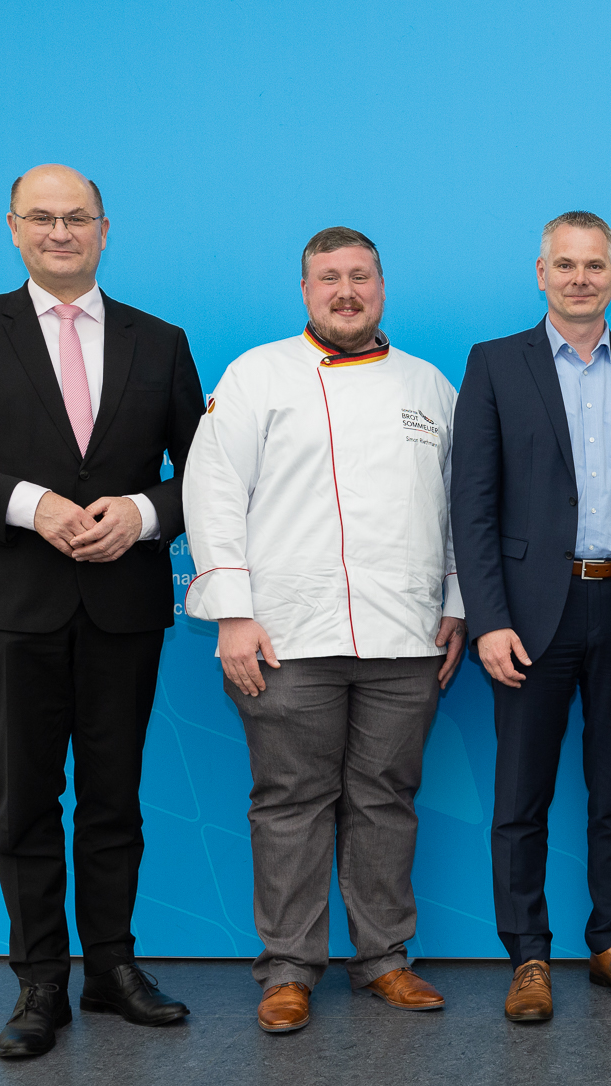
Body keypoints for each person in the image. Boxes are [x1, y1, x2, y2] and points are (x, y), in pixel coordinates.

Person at [0, 164, 202, 1060]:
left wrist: (142, 515)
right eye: (42, 218)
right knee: (26, 799)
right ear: (14, 229)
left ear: (105, 229)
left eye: (77, 218)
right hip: (11, 608)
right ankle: (38, 982)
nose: (60, 232)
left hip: (123, 608)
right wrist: (31, 503)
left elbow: (204, 476)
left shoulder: (161, 341)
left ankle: (111, 968)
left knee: (113, 800)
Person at [182, 227, 465, 1035]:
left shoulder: (427, 385)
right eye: (328, 278)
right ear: (305, 292)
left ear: (383, 287)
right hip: (284, 635)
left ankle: (384, 959)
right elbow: (211, 494)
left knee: (386, 800)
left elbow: (455, 509)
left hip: (405, 636)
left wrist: (456, 603)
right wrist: (232, 612)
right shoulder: (256, 375)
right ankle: (289, 970)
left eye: (361, 277)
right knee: (290, 802)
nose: (346, 291)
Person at [451, 211, 611, 1024]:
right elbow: (473, 505)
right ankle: (527, 954)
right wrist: (487, 618)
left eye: (595, 265)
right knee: (519, 796)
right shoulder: (495, 365)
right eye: (566, 264)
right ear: (540, 272)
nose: (580, 278)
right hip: (529, 617)